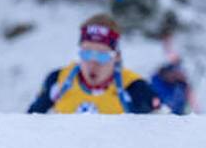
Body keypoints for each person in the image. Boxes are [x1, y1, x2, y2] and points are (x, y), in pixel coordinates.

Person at [27, 14, 159, 114]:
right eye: (86, 53)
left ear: (117, 57)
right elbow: (29, 123)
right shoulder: (58, 80)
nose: (93, 62)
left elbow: (163, 130)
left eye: (102, 55)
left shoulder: (134, 87)